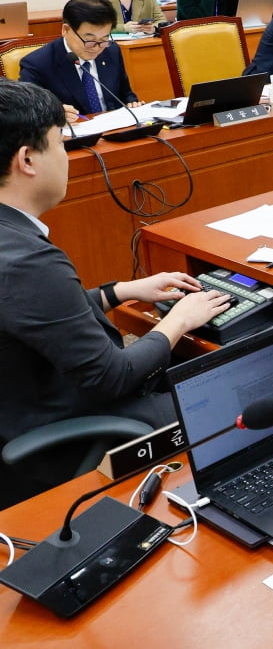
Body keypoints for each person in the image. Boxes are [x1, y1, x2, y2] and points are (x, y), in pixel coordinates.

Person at [0, 79, 230, 482]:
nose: (67, 156)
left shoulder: (13, 245)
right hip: (56, 426)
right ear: (28, 160)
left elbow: (33, 315)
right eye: (59, 143)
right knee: (228, 393)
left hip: (23, 399)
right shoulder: (28, 261)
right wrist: (178, 321)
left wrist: (120, 292)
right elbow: (113, 376)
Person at [20, 0, 141, 118]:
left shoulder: (111, 51)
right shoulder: (37, 64)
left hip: (114, 130)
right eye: (89, 40)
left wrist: (133, 105)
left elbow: (126, 95)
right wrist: (54, 114)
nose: (97, 47)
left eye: (104, 39)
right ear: (66, 30)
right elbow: (29, 112)